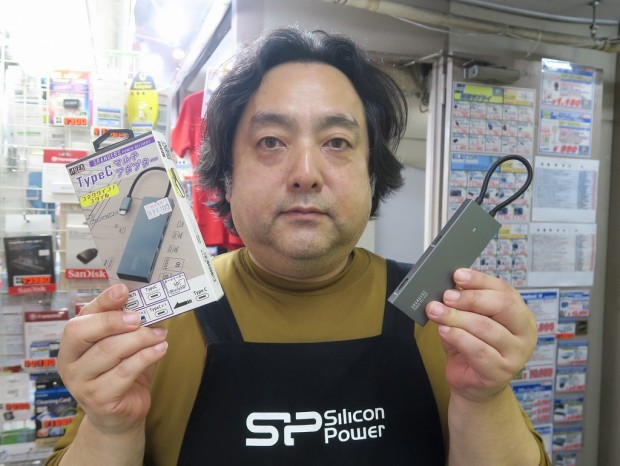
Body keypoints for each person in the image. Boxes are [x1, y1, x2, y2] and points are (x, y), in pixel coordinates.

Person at [47, 27, 550, 465]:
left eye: (337, 142)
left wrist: (483, 399)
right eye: (271, 141)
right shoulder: (156, 325)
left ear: (372, 174)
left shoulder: (444, 317)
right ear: (226, 177)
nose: (306, 174)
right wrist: (111, 428)